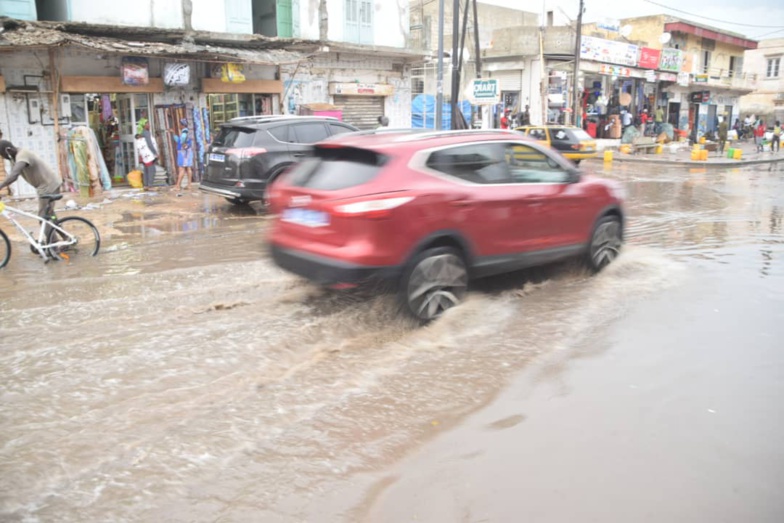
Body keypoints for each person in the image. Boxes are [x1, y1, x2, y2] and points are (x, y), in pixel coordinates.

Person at [0, 140, 61, 221]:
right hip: (45, 185)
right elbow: (11, 176)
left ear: (8, 150)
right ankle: (63, 233)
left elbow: (14, 175)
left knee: (43, 219)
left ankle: (51, 232)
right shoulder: (14, 159)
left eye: (2, 154)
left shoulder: (22, 154)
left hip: (47, 185)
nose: (3, 157)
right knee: (50, 214)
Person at [170, 119, 193, 192]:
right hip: (188, 152)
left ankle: (177, 186)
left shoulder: (184, 132)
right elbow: (179, 140)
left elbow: (181, 140)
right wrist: (174, 134)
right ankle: (189, 185)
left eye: (180, 124)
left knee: (181, 168)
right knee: (188, 168)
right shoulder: (187, 132)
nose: (179, 126)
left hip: (183, 153)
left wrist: (183, 144)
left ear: (182, 125)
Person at [140, 120, 158, 189]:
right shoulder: (146, 133)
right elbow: (150, 144)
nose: (149, 125)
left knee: (146, 170)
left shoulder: (142, 133)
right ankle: (150, 185)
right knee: (152, 170)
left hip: (144, 155)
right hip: (149, 154)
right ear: (144, 125)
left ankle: (146, 185)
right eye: (147, 124)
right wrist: (155, 153)